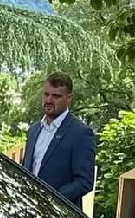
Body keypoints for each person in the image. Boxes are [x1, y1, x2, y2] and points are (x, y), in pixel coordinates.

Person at [23, 71, 95, 207]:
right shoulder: (34, 130)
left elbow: (84, 181)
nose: (49, 100)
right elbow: (26, 169)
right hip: (29, 213)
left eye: (56, 96)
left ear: (69, 98)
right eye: (46, 94)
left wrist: (51, 198)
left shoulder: (80, 133)